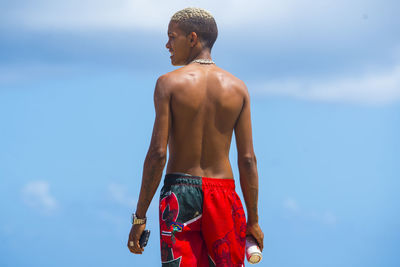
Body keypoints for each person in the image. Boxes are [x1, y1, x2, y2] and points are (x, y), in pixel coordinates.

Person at [127, 7, 264, 266]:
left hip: (179, 195)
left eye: (172, 36)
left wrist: (140, 218)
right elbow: (247, 160)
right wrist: (253, 220)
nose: (167, 44)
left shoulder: (168, 84)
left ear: (192, 38)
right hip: (224, 194)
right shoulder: (238, 88)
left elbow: (157, 154)